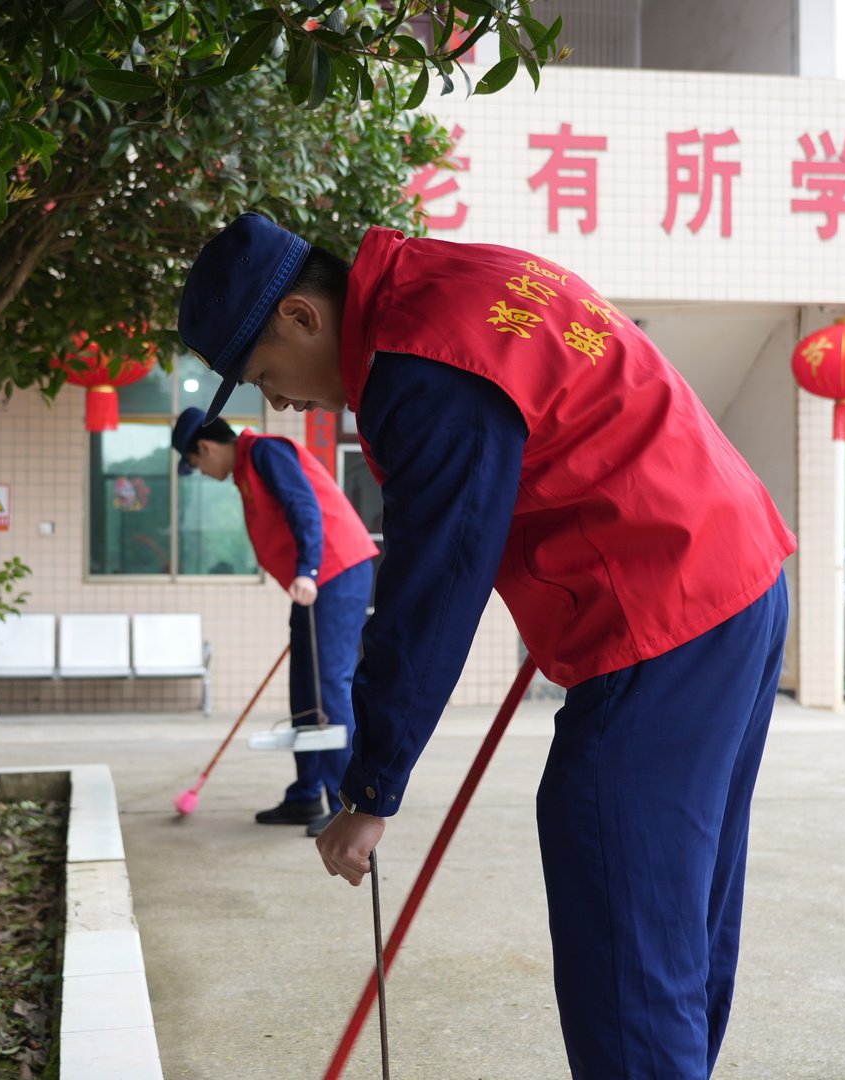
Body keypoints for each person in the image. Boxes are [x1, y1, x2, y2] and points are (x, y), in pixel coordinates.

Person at [176, 212, 797, 1079]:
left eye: (265, 376)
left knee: (612, 864)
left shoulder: (417, 360)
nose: (279, 402)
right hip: (729, 572)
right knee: (670, 902)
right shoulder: (444, 280)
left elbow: (437, 578)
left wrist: (371, 788)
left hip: (663, 603)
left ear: (302, 318)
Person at [172, 408, 378, 837]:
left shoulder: (264, 451)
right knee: (304, 687)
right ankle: (307, 794)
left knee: (327, 687)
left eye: (195, 464)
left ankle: (348, 803)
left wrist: (308, 570)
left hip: (333, 572)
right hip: (320, 577)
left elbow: (303, 505)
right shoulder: (246, 466)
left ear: (205, 448)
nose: (202, 472)